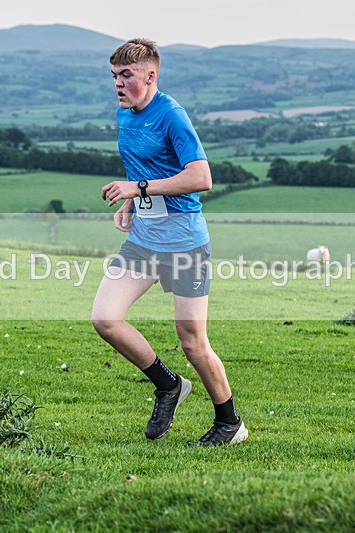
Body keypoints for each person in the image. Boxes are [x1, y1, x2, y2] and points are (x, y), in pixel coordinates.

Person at [91, 38, 247, 446]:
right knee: (105, 319)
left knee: (193, 341)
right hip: (144, 241)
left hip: (184, 244)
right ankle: (168, 386)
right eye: (114, 76)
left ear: (150, 75)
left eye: (126, 75)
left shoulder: (172, 116)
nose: (118, 84)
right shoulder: (126, 113)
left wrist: (136, 187)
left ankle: (230, 423)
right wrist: (132, 202)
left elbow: (201, 178)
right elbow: (142, 164)